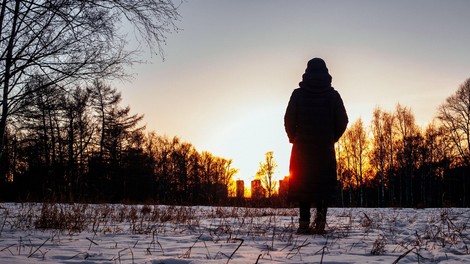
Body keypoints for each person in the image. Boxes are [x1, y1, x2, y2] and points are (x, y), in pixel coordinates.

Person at [284, 58, 348, 234]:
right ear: (326, 73)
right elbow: (343, 121)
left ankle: (304, 224)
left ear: (307, 72)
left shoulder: (297, 94)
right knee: (323, 186)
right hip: (324, 149)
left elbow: (289, 119)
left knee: (303, 184)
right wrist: (331, 138)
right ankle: (320, 225)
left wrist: (293, 138)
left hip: (302, 149)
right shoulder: (333, 96)